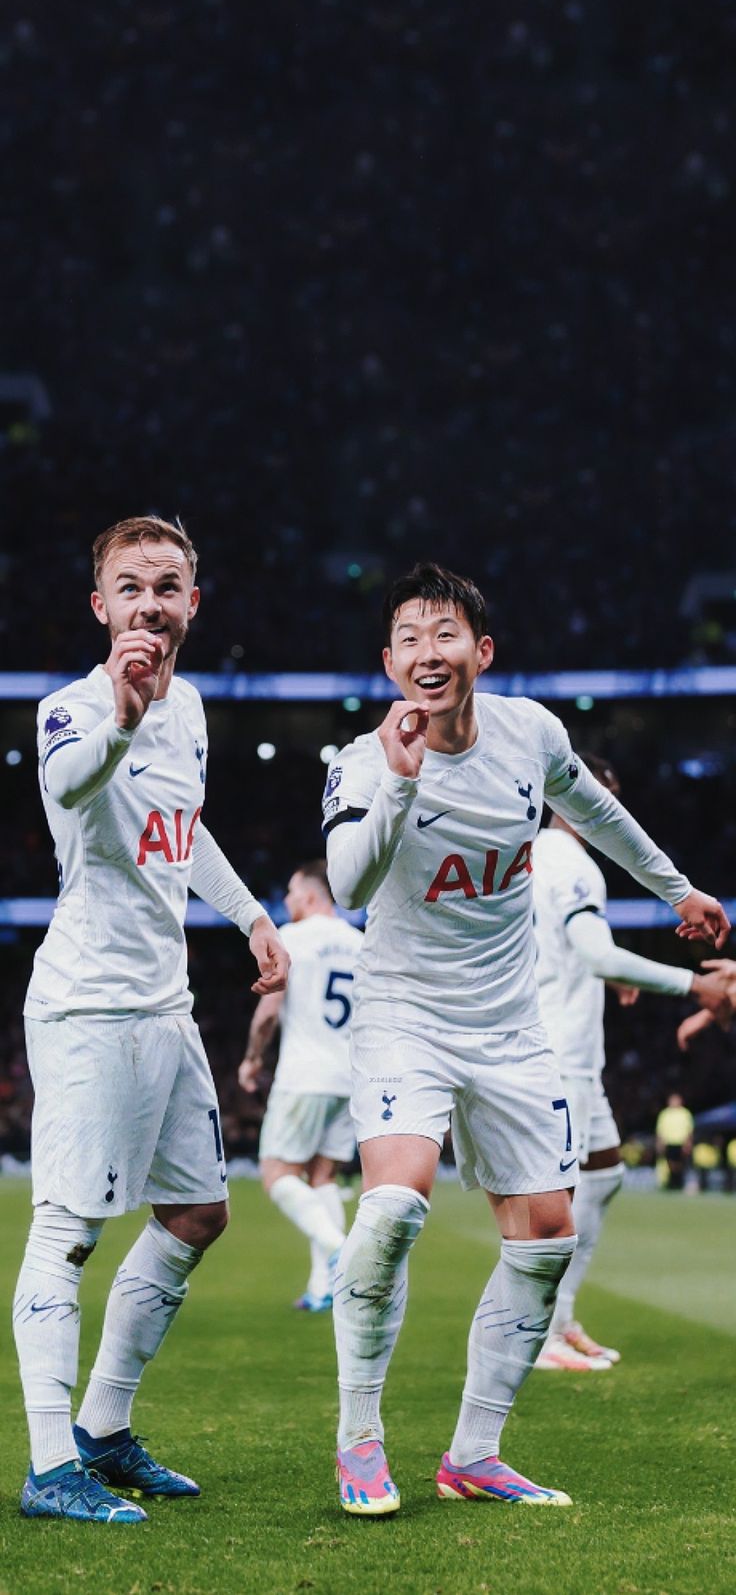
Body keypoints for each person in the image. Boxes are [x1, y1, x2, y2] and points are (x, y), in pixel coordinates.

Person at [321, 561, 729, 1517]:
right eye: (411, 638)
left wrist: (678, 890)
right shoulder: (361, 757)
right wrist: (399, 784)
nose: (430, 653)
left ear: (482, 650)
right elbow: (345, 886)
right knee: (390, 1209)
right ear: (389, 661)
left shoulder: (531, 732)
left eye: (446, 633)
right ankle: (360, 1442)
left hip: (508, 1022)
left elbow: (595, 810)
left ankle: (474, 1453)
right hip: (405, 1013)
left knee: (546, 1235)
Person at [14, 515, 289, 1525]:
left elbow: (185, 829)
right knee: (67, 1231)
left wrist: (253, 915)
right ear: (102, 607)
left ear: (191, 606)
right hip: (89, 1007)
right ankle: (50, 1467)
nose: (149, 605)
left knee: (196, 1215)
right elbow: (69, 784)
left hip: (165, 1004)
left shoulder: (197, 709)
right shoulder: (67, 712)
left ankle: (103, 1429)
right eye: (130, 588)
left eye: (167, 587)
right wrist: (124, 714)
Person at [531, 754, 733, 1372]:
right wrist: (692, 987)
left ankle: (560, 1321)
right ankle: (536, 1336)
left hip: (566, 1050)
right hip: (554, 1052)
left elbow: (572, 951)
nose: (606, 810)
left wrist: (610, 972)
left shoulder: (533, 856)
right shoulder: (570, 863)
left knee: (604, 1173)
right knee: (550, 1204)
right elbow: (593, 951)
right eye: (597, 795)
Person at [238, 860, 362, 1310]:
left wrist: (252, 1059)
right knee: (323, 1177)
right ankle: (323, 1288)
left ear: (311, 897)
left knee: (277, 1175)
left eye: (291, 892)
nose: (287, 901)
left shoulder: (293, 939)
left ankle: (342, 1252)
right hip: (348, 1077)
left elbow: (269, 1012)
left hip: (304, 1074)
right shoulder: (360, 944)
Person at [655, 1093, 694, 1189]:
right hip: (669, 1142)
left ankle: (678, 1183)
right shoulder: (664, 1114)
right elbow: (660, 1130)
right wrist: (660, 1142)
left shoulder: (685, 1113)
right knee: (670, 1164)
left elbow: (689, 1130)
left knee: (680, 1164)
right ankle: (672, 1182)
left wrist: (688, 1143)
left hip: (681, 1143)